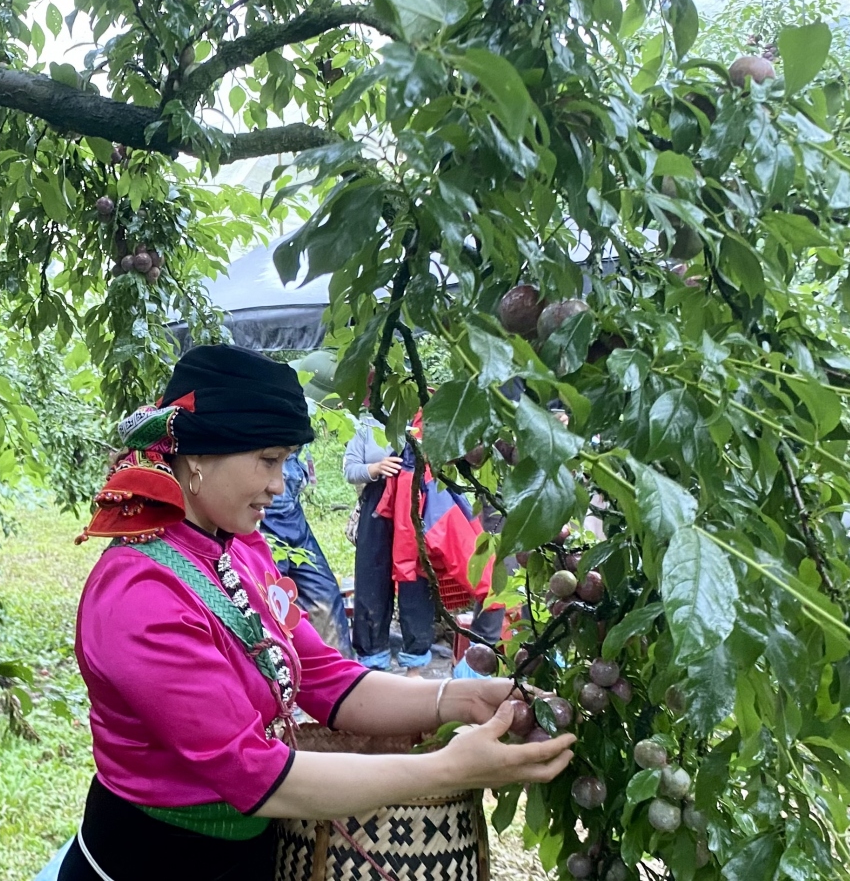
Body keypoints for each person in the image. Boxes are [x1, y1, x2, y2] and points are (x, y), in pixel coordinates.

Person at [59, 344, 575, 880]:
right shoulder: (140, 595)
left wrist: (461, 696)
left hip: (249, 854)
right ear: (196, 459)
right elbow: (253, 773)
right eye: (267, 460)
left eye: (284, 461)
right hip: (148, 862)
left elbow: (326, 680)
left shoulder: (240, 552)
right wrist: (445, 768)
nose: (279, 485)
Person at [345, 414, 434, 676]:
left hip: (415, 503)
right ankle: (373, 664)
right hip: (377, 505)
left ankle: (415, 668)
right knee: (371, 581)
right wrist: (375, 468)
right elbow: (350, 470)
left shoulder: (423, 416)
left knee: (416, 582)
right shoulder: (366, 424)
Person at [259, 445, 352, 656]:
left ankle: (341, 674)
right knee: (269, 603)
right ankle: (281, 676)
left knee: (325, 596)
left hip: (293, 513)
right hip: (260, 517)